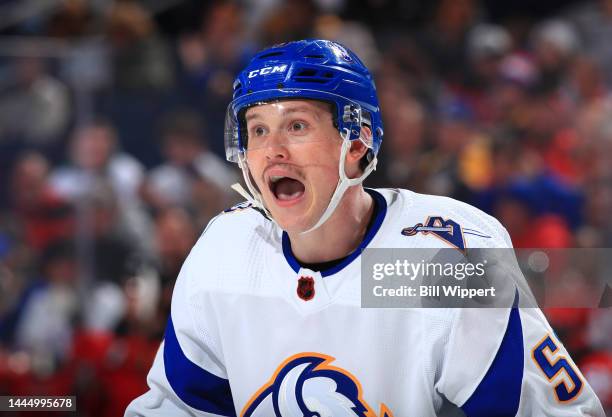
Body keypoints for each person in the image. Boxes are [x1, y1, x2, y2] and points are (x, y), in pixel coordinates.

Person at [125, 40, 605, 417]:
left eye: (296, 126)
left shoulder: (437, 256)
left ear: (358, 142)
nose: (272, 151)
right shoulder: (226, 252)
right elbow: (178, 408)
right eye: (257, 130)